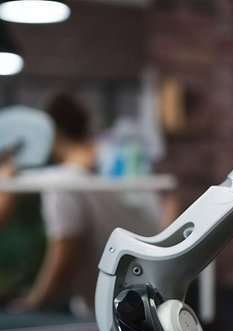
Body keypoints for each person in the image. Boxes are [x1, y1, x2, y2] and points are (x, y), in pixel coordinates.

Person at [1, 94, 161, 317]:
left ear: (50, 133)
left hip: (115, 311)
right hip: (153, 297)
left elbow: (64, 252)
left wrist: (31, 303)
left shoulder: (63, 181)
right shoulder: (118, 163)